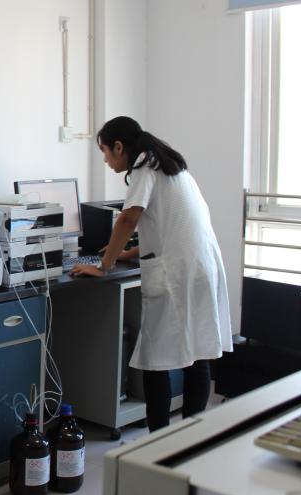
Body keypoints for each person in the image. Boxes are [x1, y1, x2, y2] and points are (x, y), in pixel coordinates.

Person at [69, 116, 231, 432]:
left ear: (119, 147)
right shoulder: (170, 166)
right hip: (202, 266)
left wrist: (104, 266)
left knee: (155, 362)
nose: (105, 160)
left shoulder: (144, 167)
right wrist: (128, 253)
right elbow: (169, 225)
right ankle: (190, 437)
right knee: (198, 355)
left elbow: (128, 219)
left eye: (104, 151)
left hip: (177, 273)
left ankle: (157, 444)